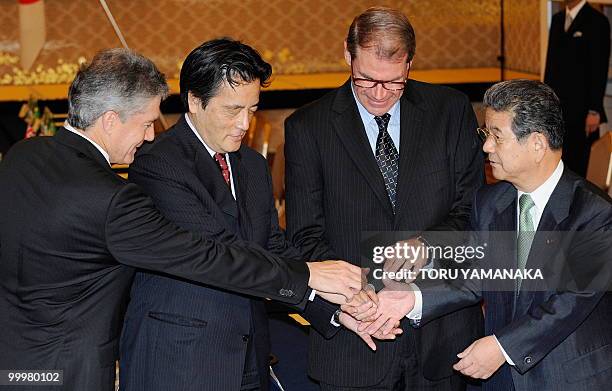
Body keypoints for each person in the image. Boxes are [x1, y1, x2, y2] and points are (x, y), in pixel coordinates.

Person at [0, 48, 363, 391]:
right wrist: (310, 275)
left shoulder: (23, 155)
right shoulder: (118, 193)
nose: (148, 135)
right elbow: (208, 256)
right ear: (110, 120)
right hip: (78, 369)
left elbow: (267, 242)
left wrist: (324, 302)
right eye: (145, 123)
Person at [119, 38, 369, 391]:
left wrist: (333, 310)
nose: (244, 124)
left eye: (252, 110)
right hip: (181, 358)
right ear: (194, 101)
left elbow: (271, 245)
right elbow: (220, 252)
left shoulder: (250, 164)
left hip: (250, 355)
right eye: (232, 110)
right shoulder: (159, 163)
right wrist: (311, 273)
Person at [357, 79, 612, 391]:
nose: (486, 146)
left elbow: (570, 302)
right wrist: (412, 299)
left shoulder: (594, 213)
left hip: (570, 377)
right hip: (501, 380)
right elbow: (477, 272)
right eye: (485, 134)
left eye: (497, 136)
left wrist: (501, 347)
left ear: (536, 143)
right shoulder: (491, 201)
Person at [284, 6, 484, 390]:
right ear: (348, 54)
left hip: (441, 337)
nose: (379, 94)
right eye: (366, 80)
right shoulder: (309, 127)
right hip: (355, 336)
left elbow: (472, 211)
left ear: (409, 63)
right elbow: (305, 236)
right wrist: (360, 295)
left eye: (394, 82)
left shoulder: (450, 111)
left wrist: (428, 244)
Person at [544, 0, 611, 176]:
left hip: (583, 112)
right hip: (557, 109)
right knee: (557, 162)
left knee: (580, 165)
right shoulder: (557, 19)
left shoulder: (597, 21)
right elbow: (550, 66)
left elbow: (599, 68)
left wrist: (594, 110)